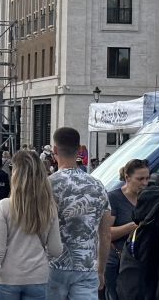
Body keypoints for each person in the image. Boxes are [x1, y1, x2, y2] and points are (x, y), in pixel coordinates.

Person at [0, 150, 63, 300]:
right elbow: (56, 250)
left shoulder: (4, 206)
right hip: (38, 277)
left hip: (7, 278)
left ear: (15, 174)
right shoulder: (49, 207)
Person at [48, 127, 112, 300]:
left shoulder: (47, 185)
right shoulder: (98, 186)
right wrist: (101, 270)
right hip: (86, 265)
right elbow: (105, 234)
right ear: (79, 150)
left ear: (55, 150)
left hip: (53, 265)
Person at [104, 159, 149, 300]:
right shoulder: (113, 198)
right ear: (127, 177)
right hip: (117, 263)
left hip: (140, 261)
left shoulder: (148, 198)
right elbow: (106, 233)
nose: (145, 183)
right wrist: (134, 226)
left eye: (147, 178)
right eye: (140, 179)